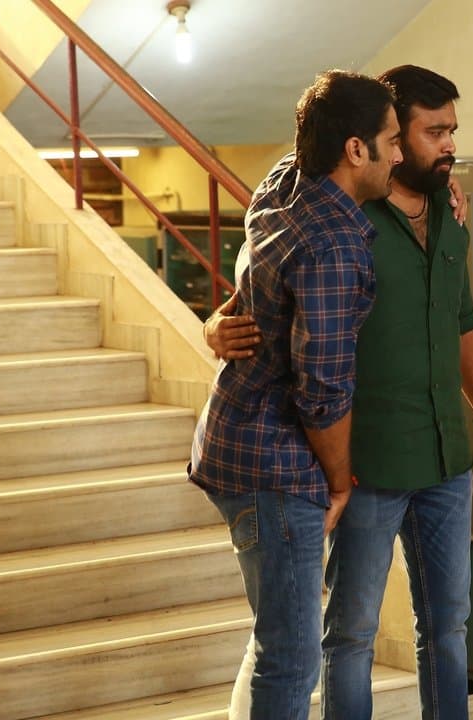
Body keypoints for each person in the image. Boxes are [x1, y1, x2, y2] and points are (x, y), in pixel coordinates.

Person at [206, 65, 473, 720]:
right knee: (343, 636)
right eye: (428, 133)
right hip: (359, 459)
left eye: (451, 131)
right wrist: (216, 324)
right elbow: (268, 290)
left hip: (443, 456)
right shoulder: (335, 215)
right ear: (376, 138)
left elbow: (462, 323)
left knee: (447, 625)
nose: (446, 146)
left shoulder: (448, 210)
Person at [188, 69, 402, 720]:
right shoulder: (333, 246)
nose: (398, 155)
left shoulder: (285, 182)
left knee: (276, 639)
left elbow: (262, 284)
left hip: (232, 440)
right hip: (276, 465)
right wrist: (339, 481)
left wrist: (215, 320)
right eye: (392, 141)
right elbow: (322, 392)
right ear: (355, 149)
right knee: (291, 654)